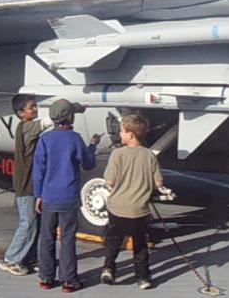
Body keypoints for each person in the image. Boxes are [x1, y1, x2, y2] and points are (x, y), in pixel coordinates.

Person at [32, 99, 98, 292]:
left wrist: (38, 195)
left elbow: (39, 169)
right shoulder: (75, 138)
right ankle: (69, 280)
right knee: (68, 239)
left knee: (47, 237)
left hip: (48, 197)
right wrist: (92, 145)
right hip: (68, 196)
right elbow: (88, 163)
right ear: (70, 117)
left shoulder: (45, 139)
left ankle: (46, 277)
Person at [101, 114, 163, 289]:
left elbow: (109, 181)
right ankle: (143, 277)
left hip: (117, 207)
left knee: (114, 239)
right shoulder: (149, 155)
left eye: (122, 131)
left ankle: (108, 268)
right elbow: (159, 182)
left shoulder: (117, 154)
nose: (120, 134)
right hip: (139, 210)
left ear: (130, 134)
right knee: (140, 244)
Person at [0, 95, 44, 276]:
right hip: (26, 186)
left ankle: (28, 258)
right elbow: (47, 123)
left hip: (32, 184)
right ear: (21, 113)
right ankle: (11, 259)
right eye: (31, 107)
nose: (35, 109)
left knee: (35, 224)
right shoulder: (26, 127)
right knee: (28, 223)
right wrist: (72, 108)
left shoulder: (27, 127)